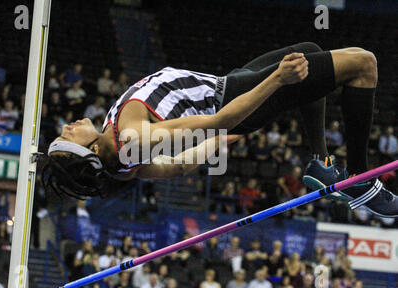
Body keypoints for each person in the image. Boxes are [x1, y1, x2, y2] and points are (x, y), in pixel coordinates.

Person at [42, 42, 397, 215]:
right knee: (364, 64)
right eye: (66, 136)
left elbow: (180, 165)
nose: (67, 126)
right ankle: (362, 179)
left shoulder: (118, 163)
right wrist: (277, 79)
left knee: (309, 51)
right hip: (231, 98)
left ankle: (320, 162)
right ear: (89, 151)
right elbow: (218, 119)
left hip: (225, 83)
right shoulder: (136, 139)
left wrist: (220, 140)